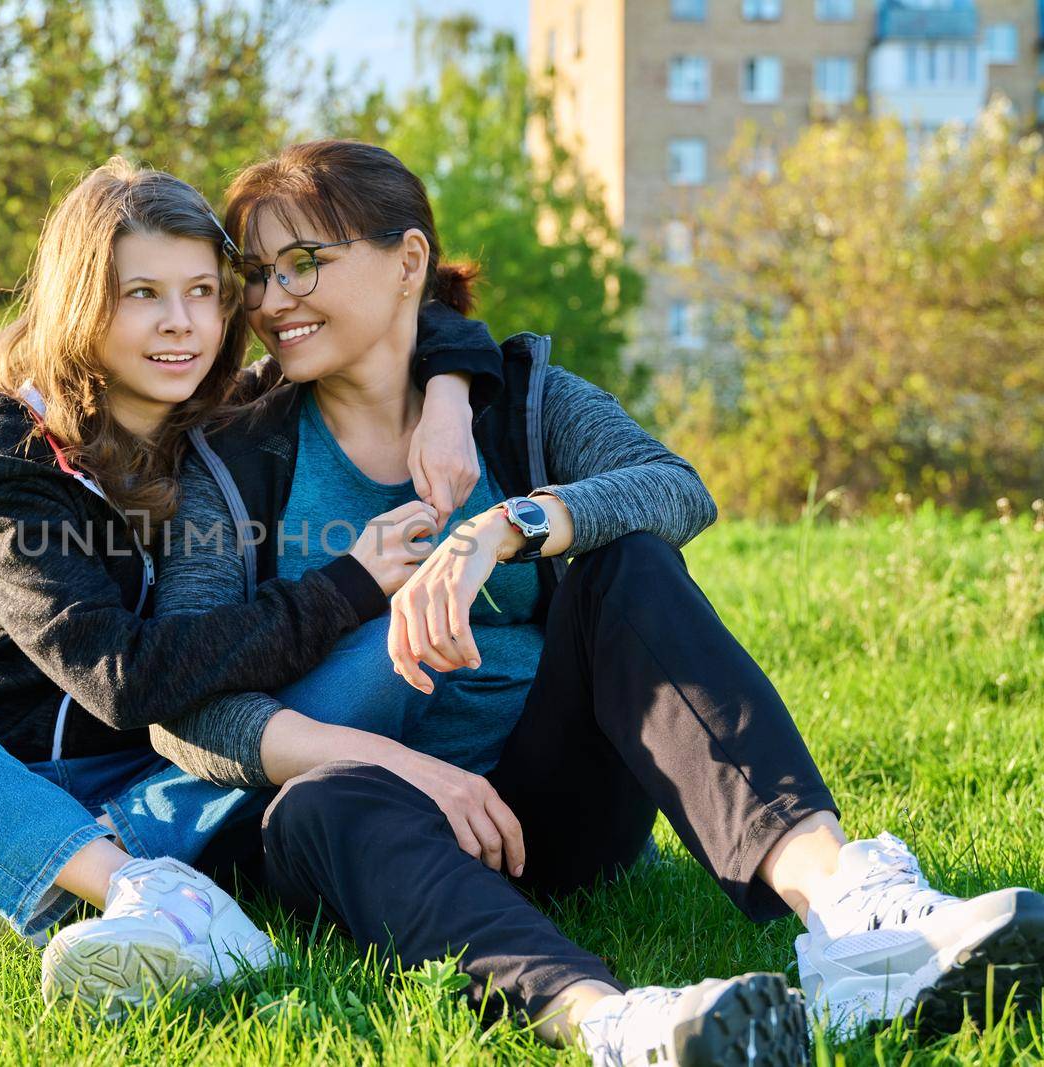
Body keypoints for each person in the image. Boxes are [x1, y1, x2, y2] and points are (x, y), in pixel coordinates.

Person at [148, 140, 1044, 1066]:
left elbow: (674, 486)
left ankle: (849, 914)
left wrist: (503, 527)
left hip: (555, 806)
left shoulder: (520, 400)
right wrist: (394, 763)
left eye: (306, 264)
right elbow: (187, 708)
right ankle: (619, 1024)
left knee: (631, 566)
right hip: (373, 822)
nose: (272, 301)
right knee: (314, 805)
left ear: (408, 261)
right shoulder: (235, 459)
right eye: (257, 275)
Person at [0, 157, 500, 1017]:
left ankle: (61, 889)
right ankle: (133, 887)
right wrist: (343, 585)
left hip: (162, 781)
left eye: (202, 291)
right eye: (141, 293)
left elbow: (413, 315)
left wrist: (450, 396)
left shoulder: (224, 416)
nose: (180, 323)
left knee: (381, 650)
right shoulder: (14, 450)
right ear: (82, 303)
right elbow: (118, 679)